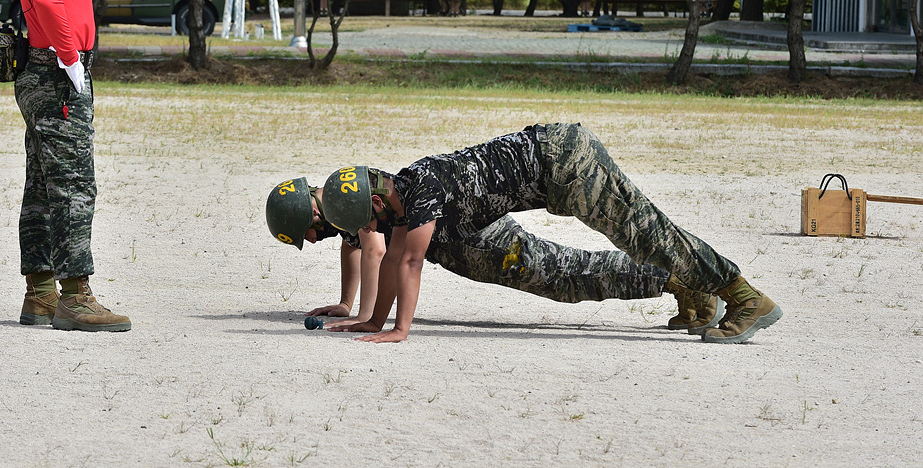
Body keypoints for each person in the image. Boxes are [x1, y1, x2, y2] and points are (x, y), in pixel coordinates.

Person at [319, 124, 783, 345]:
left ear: (377, 203)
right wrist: (374, 321)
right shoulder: (404, 191)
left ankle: (744, 296)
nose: (366, 232)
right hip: (557, 168)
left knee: (648, 236)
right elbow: (395, 251)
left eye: (364, 221)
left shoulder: (420, 193)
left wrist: (401, 330)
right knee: (641, 240)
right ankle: (697, 295)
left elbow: (409, 263)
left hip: (565, 164)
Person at [265, 178, 725, 333]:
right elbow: (354, 247)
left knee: (566, 274)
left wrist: (369, 317)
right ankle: (676, 282)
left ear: (306, 215)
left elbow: (376, 248)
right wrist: (347, 303)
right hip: (467, 245)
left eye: (306, 233)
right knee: (567, 278)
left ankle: (679, 279)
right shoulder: (342, 196)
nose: (313, 237)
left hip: (481, 242)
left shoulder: (347, 204)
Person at [14, 0, 133, 332]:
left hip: (44, 73)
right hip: (55, 74)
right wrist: (68, 55)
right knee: (74, 186)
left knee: (43, 186)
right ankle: (75, 296)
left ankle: (40, 294)